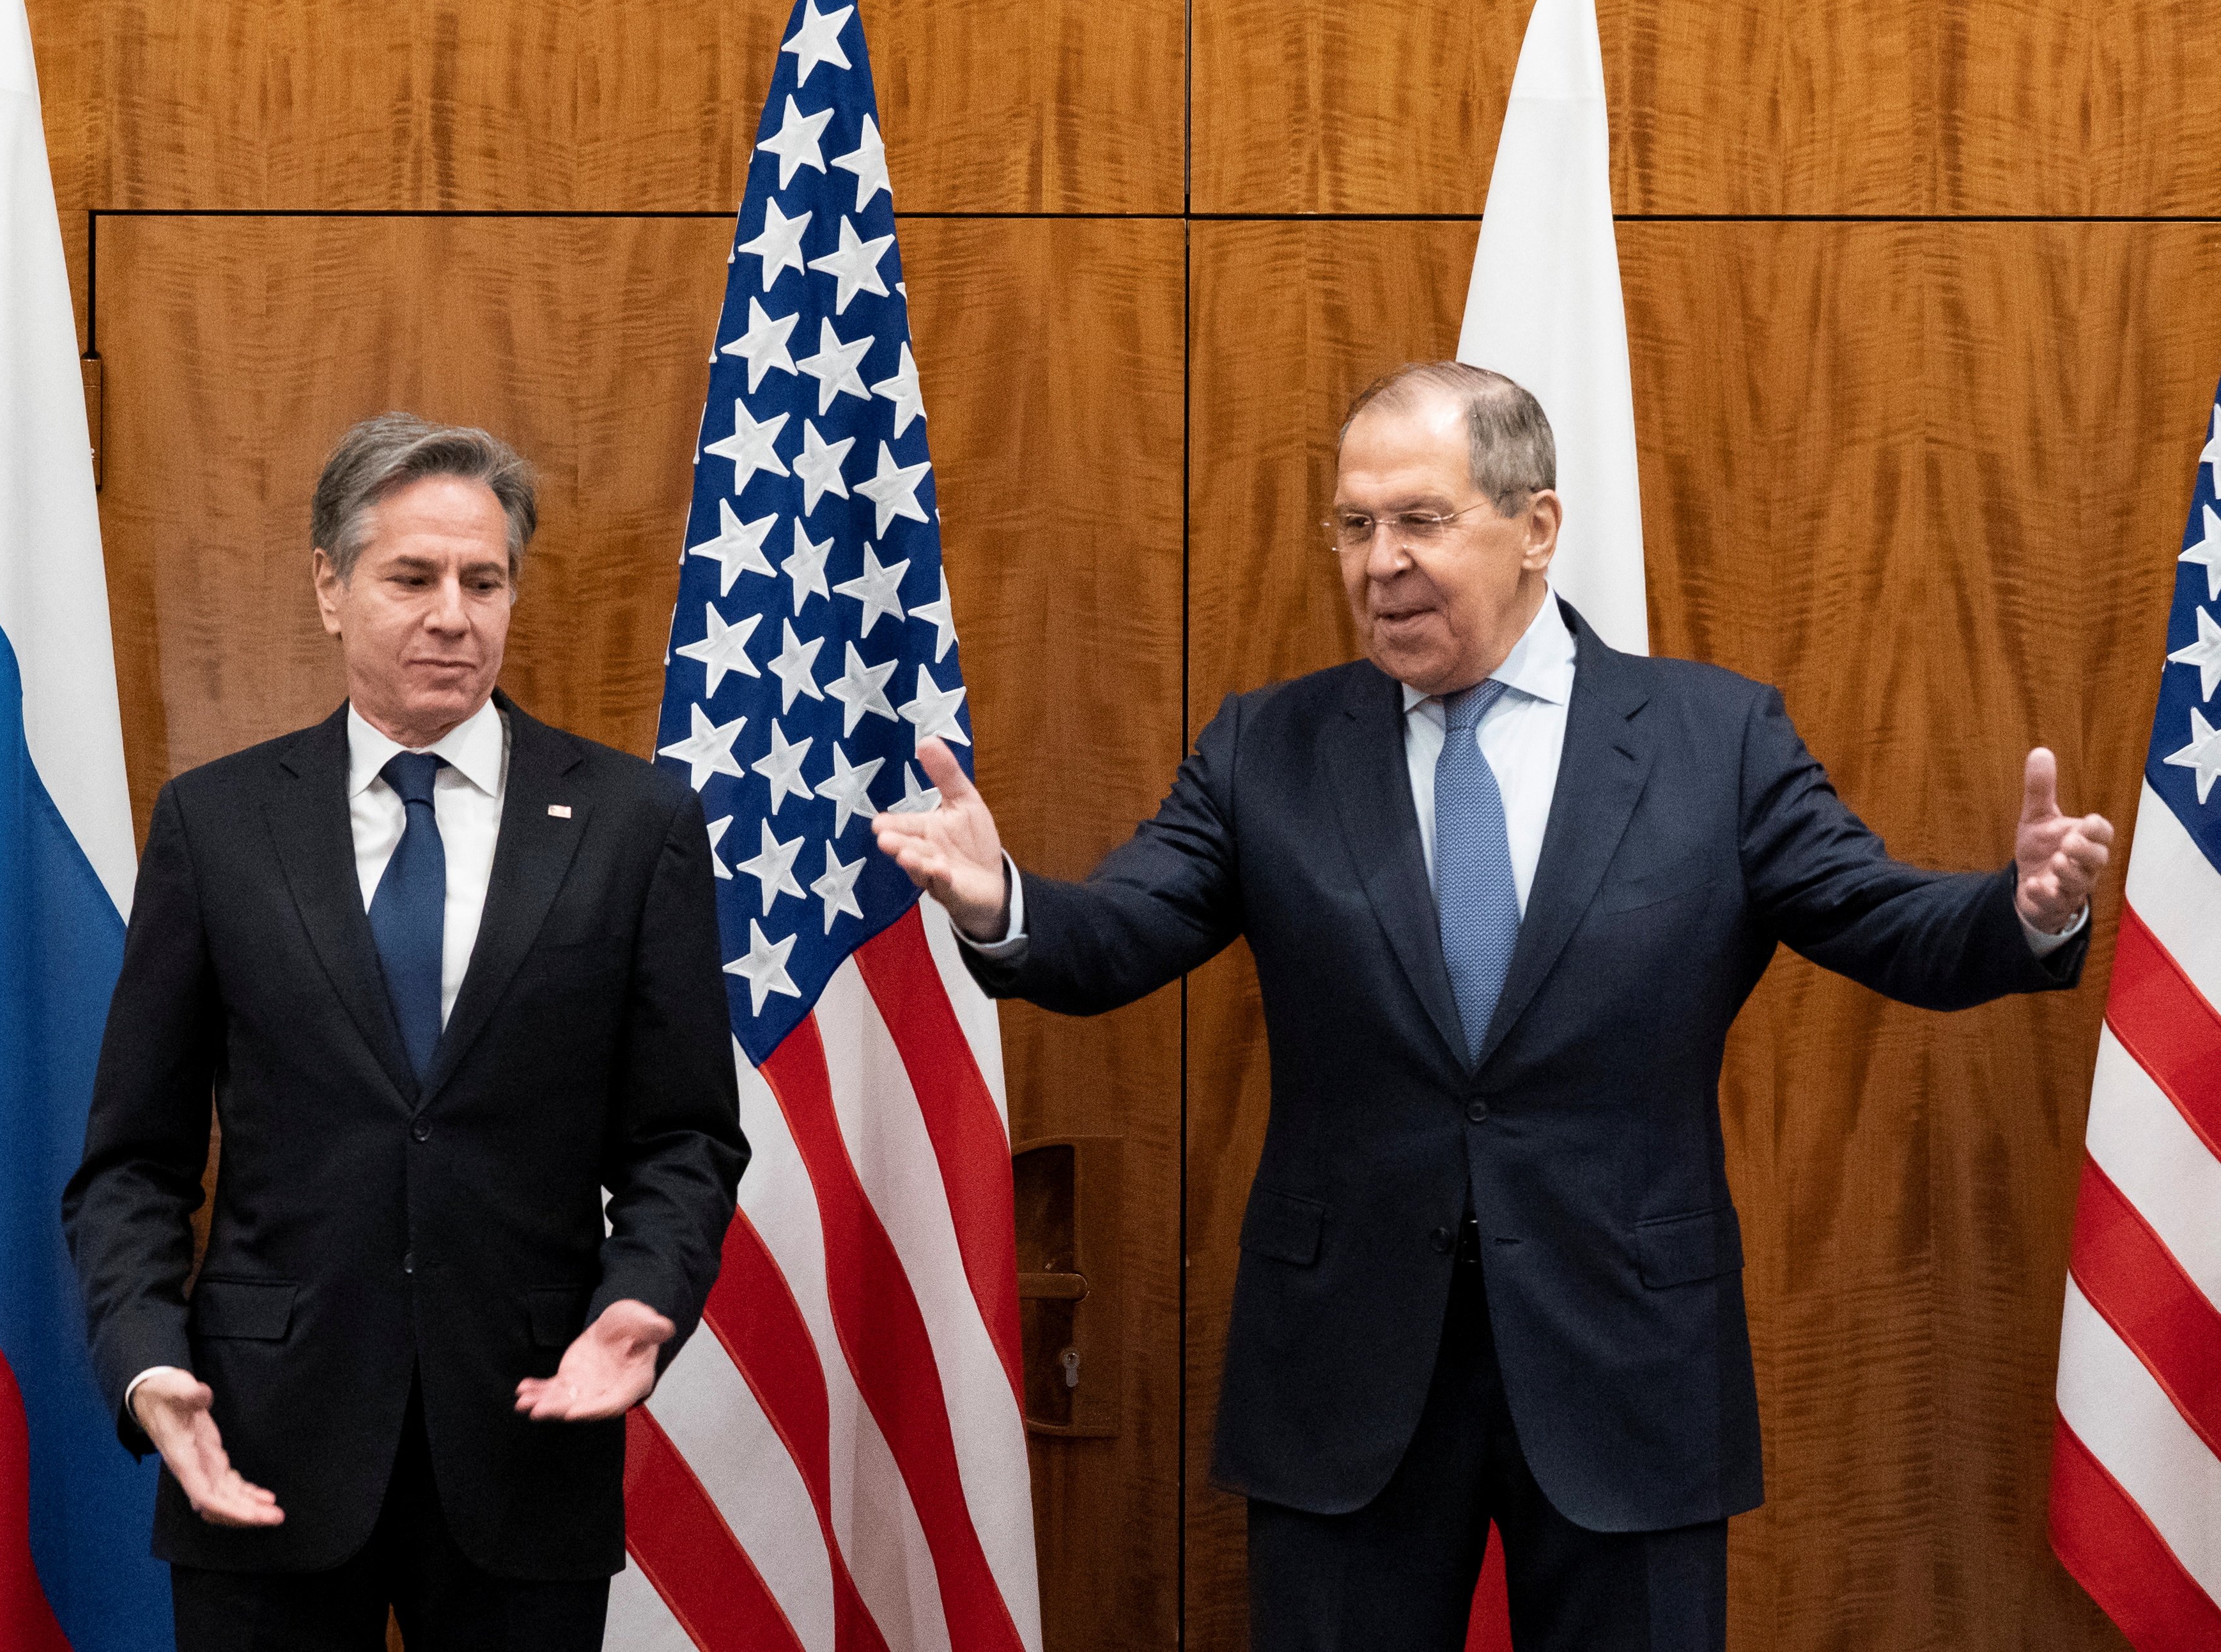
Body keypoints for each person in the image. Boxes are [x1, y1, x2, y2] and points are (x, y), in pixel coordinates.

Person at [872, 362, 2111, 1652]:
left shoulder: (1713, 738)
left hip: (1624, 1357)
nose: (1379, 561)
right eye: (1353, 526)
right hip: (1344, 1368)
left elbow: (1879, 917)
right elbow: (1119, 934)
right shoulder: (1270, 747)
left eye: (1419, 519)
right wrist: (998, 897)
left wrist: (2020, 912)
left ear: (1535, 527)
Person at [63, 414, 747, 1650]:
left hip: (528, 1433)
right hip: (256, 1439)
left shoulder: (632, 824)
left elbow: (685, 1138)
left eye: (484, 582)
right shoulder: (217, 827)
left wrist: (645, 1296)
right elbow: (133, 1159)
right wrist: (146, 1360)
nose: (453, 616)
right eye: (413, 578)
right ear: (330, 587)